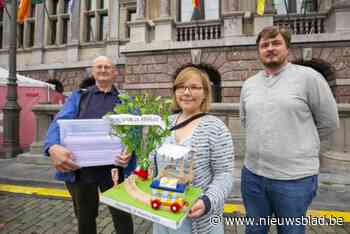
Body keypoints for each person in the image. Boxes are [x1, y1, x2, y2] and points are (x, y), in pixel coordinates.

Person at [239, 26, 339, 234]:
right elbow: (245, 120)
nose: (270, 48)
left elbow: (328, 122)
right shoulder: (249, 84)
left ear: (287, 48)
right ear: (258, 51)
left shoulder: (309, 78)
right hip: (253, 177)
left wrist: (299, 144)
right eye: (264, 45)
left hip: (294, 180)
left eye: (276, 43)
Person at [43, 56, 135, 234]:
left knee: (122, 215)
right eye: (99, 67)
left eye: (107, 67)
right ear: (93, 72)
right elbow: (59, 121)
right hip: (82, 169)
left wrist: (130, 149)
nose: (103, 70)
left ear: (115, 72)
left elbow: (135, 130)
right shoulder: (79, 96)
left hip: (115, 169)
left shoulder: (126, 100)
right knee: (85, 216)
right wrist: (52, 146)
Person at [152, 66, 234, 234]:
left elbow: (224, 175)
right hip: (163, 216)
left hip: (197, 221)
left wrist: (207, 201)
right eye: (181, 87)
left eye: (195, 87)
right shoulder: (165, 124)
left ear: (205, 93)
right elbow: (152, 162)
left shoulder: (215, 128)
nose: (186, 92)